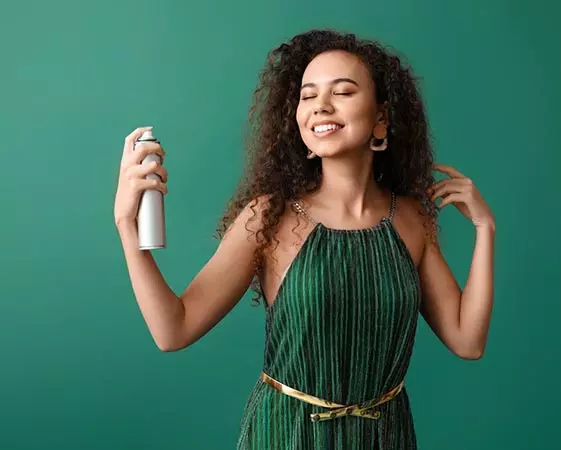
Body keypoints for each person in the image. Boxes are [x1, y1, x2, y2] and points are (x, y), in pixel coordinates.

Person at [114, 29, 495, 449]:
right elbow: (174, 330)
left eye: (343, 91)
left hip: (385, 438)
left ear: (381, 117)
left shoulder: (411, 220)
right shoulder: (268, 216)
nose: (321, 107)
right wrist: (126, 226)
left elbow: (467, 340)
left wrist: (484, 231)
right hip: (286, 436)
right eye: (308, 95)